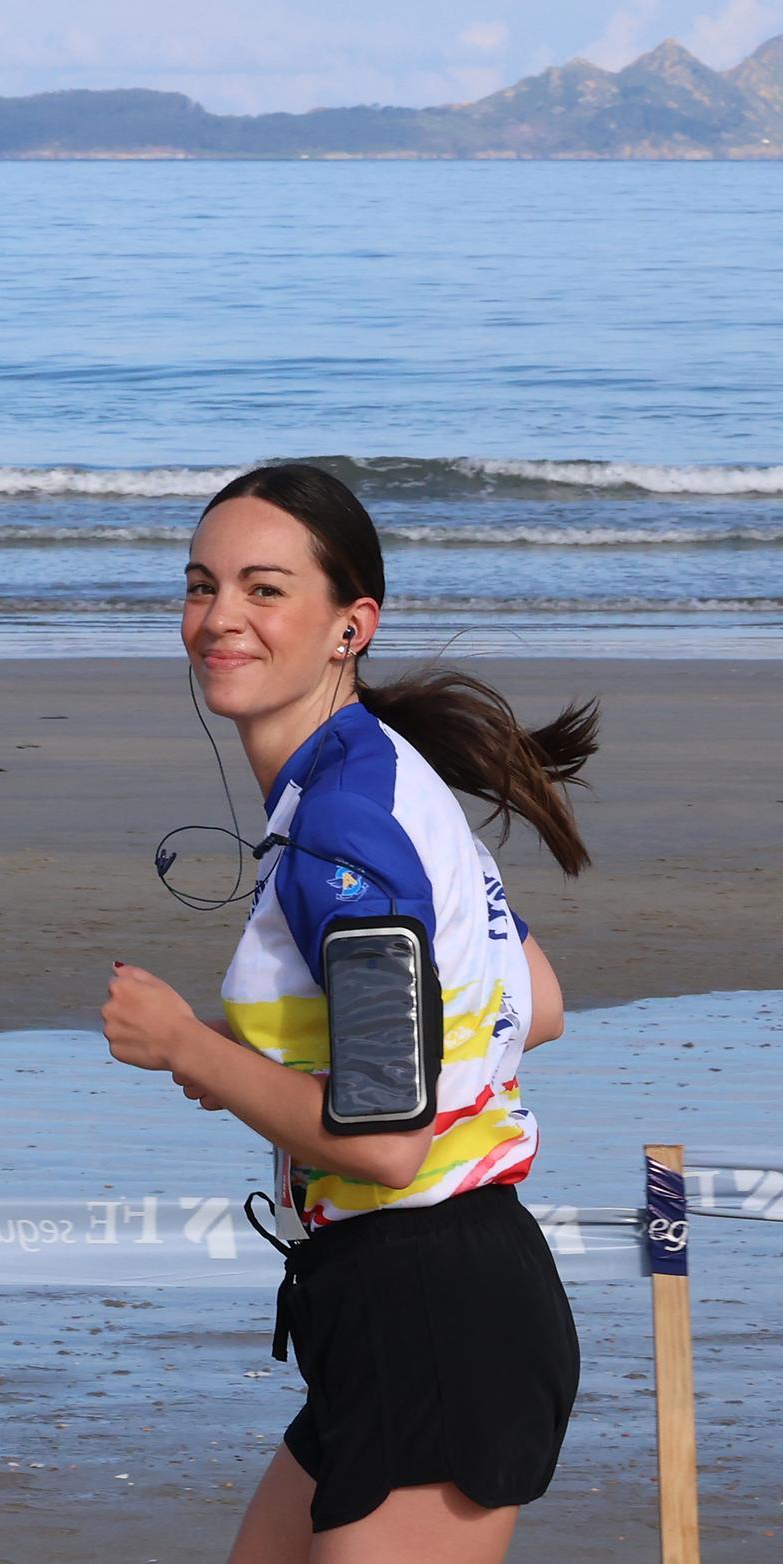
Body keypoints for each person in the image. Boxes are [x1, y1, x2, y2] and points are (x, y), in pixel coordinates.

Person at [100, 462, 600, 1564]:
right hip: (400, 1304)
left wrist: (185, 1042)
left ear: (349, 624)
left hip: (431, 1310)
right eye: (201, 585)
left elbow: (385, 1139)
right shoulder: (381, 779)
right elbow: (538, 1001)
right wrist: (258, 1055)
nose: (219, 616)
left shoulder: (344, 830)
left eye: (264, 589)